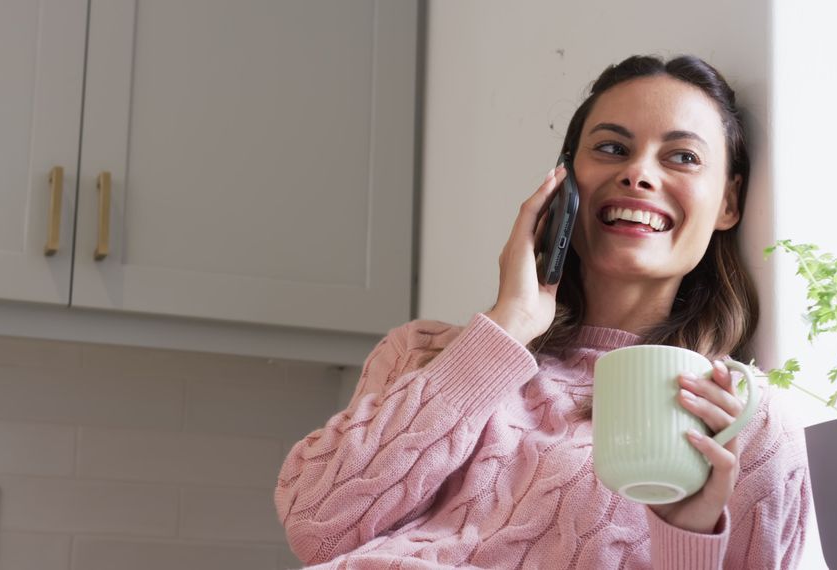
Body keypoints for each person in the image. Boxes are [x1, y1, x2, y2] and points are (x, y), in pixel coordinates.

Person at [275, 55, 810, 569]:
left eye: (683, 157)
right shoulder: (422, 353)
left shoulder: (745, 424)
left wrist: (686, 535)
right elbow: (317, 528)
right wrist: (507, 326)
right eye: (612, 147)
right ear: (564, 183)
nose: (638, 173)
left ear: (728, 202)